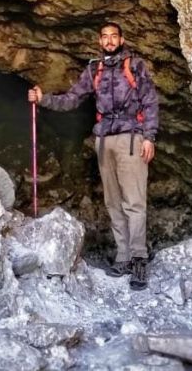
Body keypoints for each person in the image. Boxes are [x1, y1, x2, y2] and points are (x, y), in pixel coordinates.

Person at [27, 22, 159, 290]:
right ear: (99, 41)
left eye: (114, 36)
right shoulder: (94, 69)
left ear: (121, 39)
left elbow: (150, 101)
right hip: (103, 140)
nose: (109, 41)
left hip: (131, 137)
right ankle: (123, 257)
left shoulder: (135, 66)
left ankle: (139, 260)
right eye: (105, 37)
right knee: (113, 202)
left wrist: (149, 137)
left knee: (134, 202)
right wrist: (43, 99)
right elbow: (72, 99)